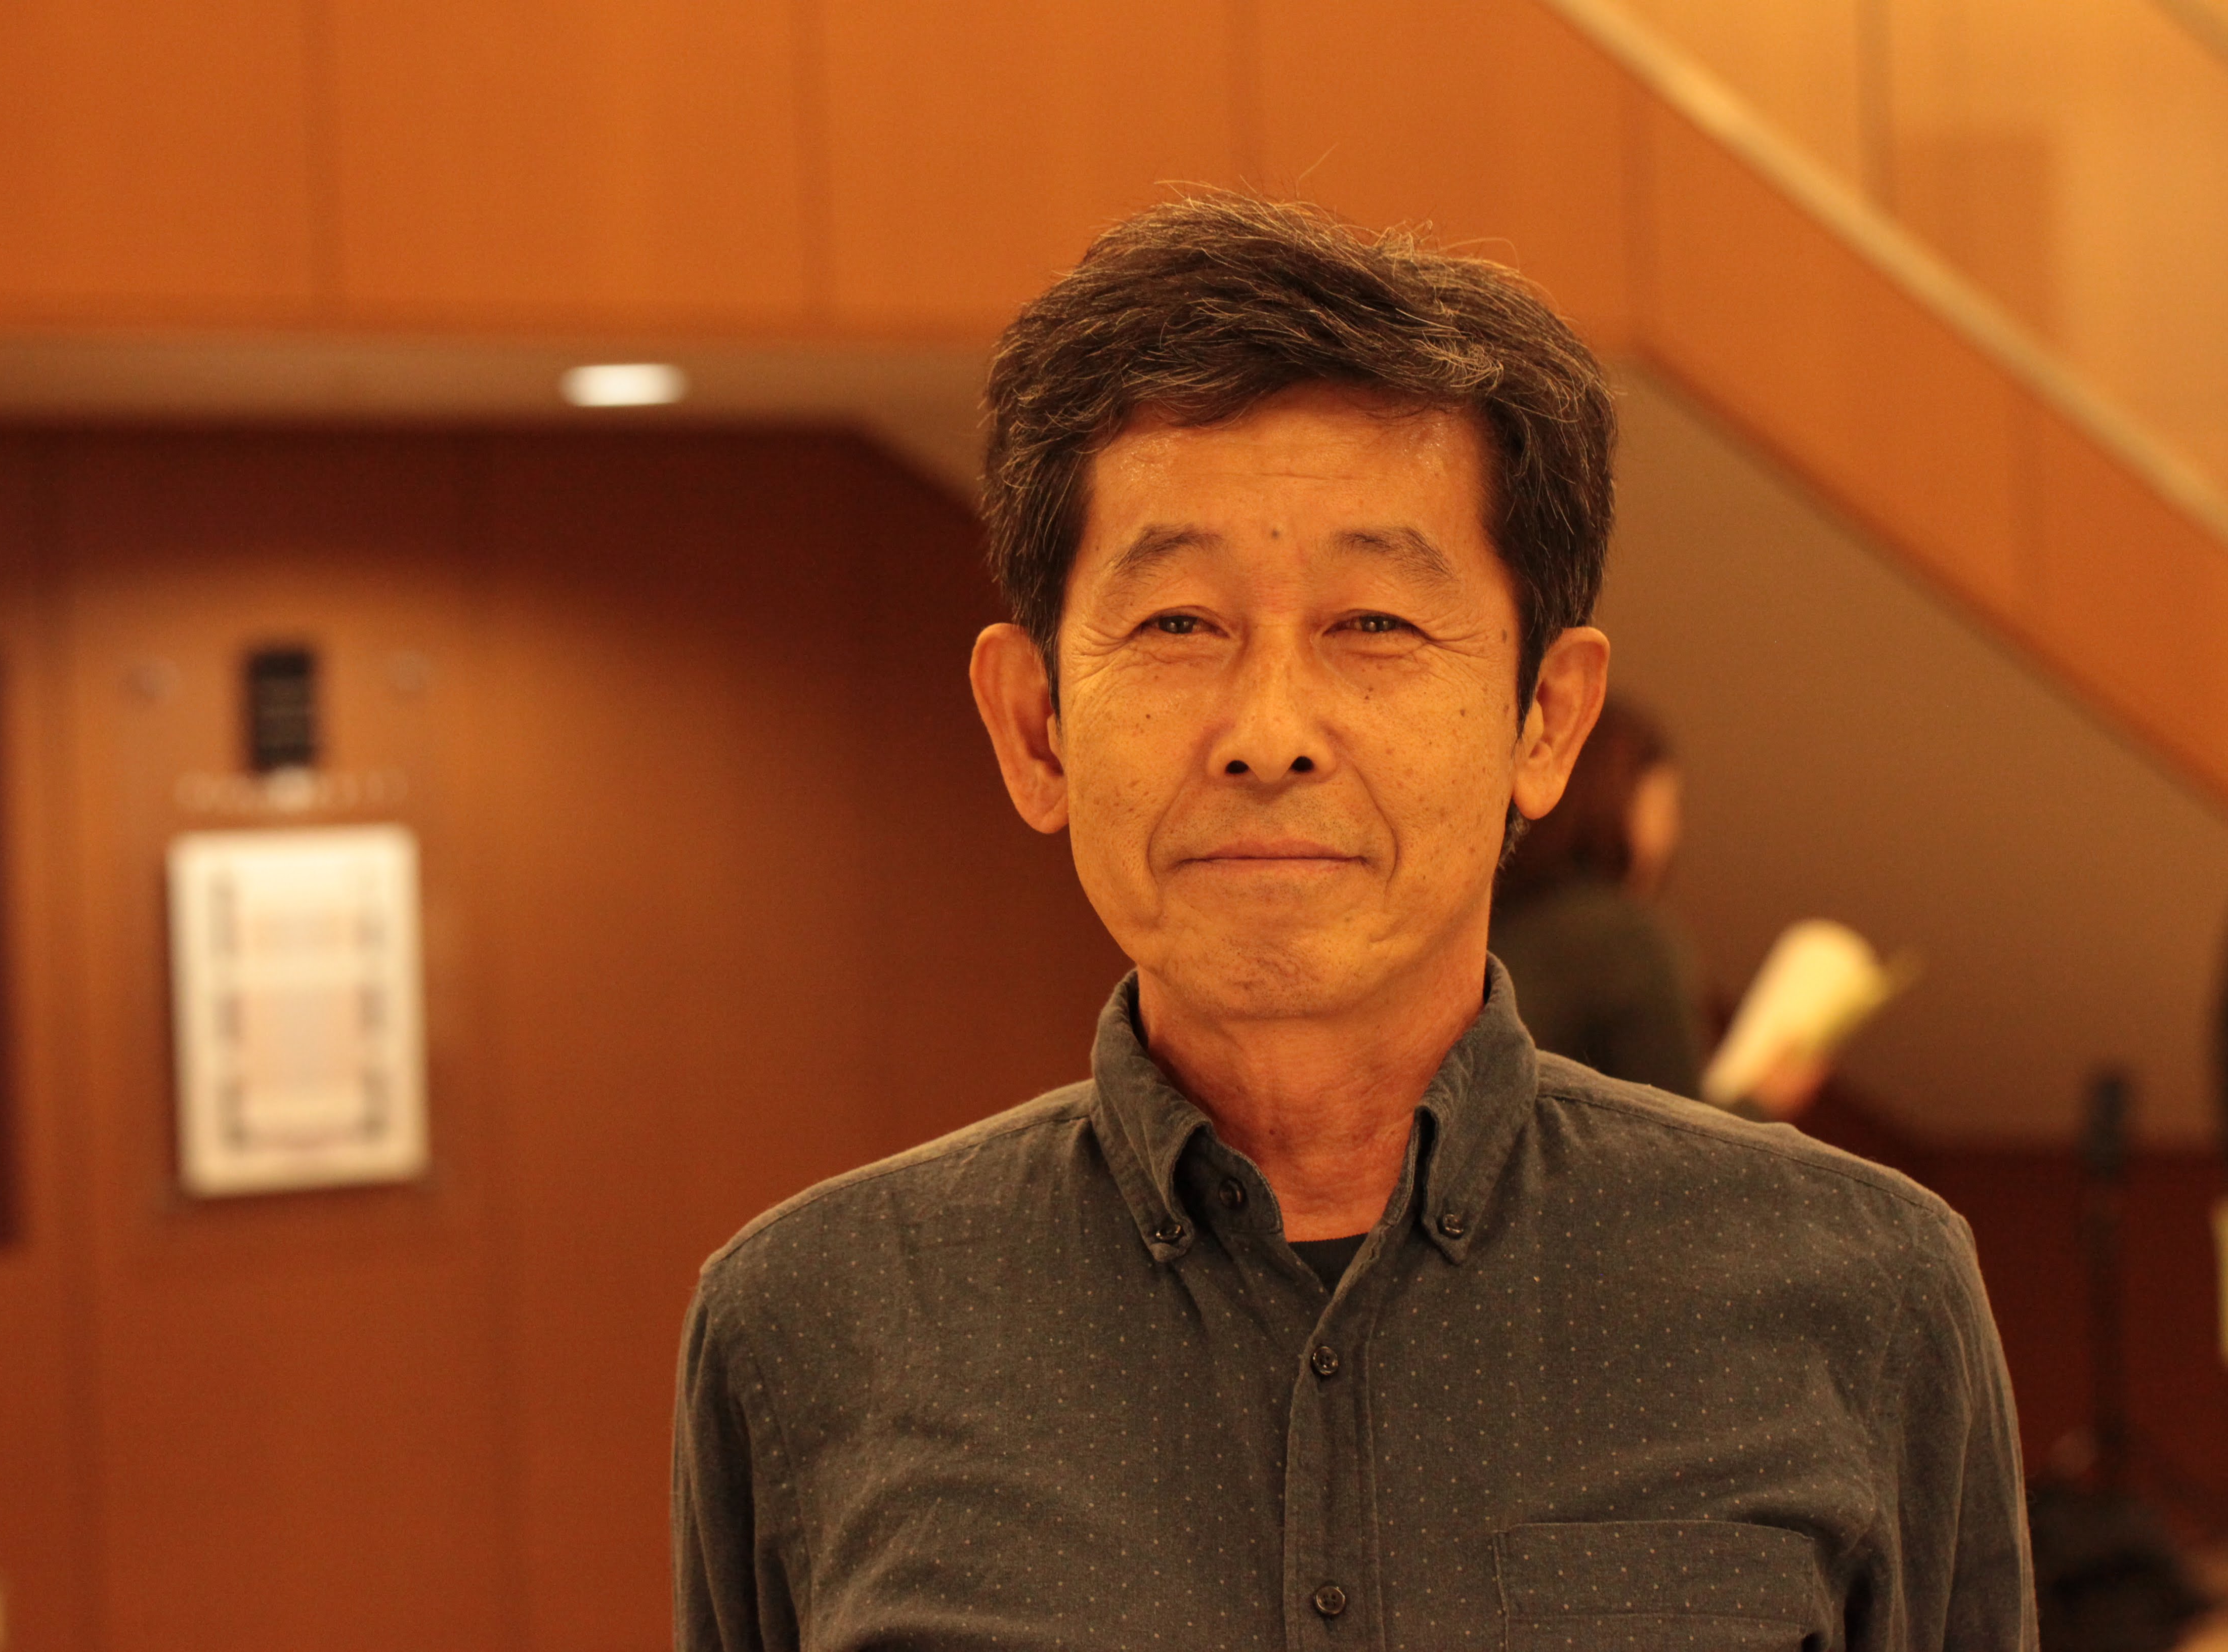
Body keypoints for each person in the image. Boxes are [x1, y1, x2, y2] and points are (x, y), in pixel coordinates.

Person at [671, 194, 2032, 1649]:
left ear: (1544, 720)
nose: (1270, 734)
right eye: (1176, 623)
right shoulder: (811, 1320)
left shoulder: (1862, 1290)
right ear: (1034, 727)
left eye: (1374, 624)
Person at [1488, 695, 1704, 1094]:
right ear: (1620, 798)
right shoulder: (1627, 940)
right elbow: (1679, 1118)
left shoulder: (1488, 910)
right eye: (1666, 806)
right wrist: (1763, 1097)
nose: (1673, 832)